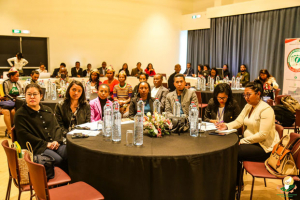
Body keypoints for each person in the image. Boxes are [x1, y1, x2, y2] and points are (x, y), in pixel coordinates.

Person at [216, 80, 280, 188]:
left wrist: (242, 141)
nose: (246, 97)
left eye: (248, 94)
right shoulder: (248, 106)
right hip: (251, 142)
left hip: (264, 147)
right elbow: (239, 121)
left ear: (258, 93)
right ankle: (234, 182)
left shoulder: (266, 110)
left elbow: (262, 135)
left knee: (233, 152)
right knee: (230, 148)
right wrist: (226, 125)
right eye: (244, 94)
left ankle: (234, 184)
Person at [15, 84, 68, 172]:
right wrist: (46, 144)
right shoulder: (20, 114)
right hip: (37, 148)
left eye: (35, 94)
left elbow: (56, 127)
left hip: (54, 144)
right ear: (25, 96)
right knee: (57, 160)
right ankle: (58, 184)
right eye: (29, 94)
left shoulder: (47, 110)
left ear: (41, 96)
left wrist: (56, 141)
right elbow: (24, 135)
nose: (32, 97)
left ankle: (72, 182)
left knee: (70, 154)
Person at [2, 68, 22, 137]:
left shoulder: (18, 83)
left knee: (13, 112)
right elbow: (6, 94)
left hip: (16, 102)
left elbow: (21, 93)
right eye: (17, 76)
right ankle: (9, 131)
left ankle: (13, 129)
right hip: (7, 102)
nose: (18, 77)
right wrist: (13, 99)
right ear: (11, 76)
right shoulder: (5, 83)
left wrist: (18, 99)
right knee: (7, 112)